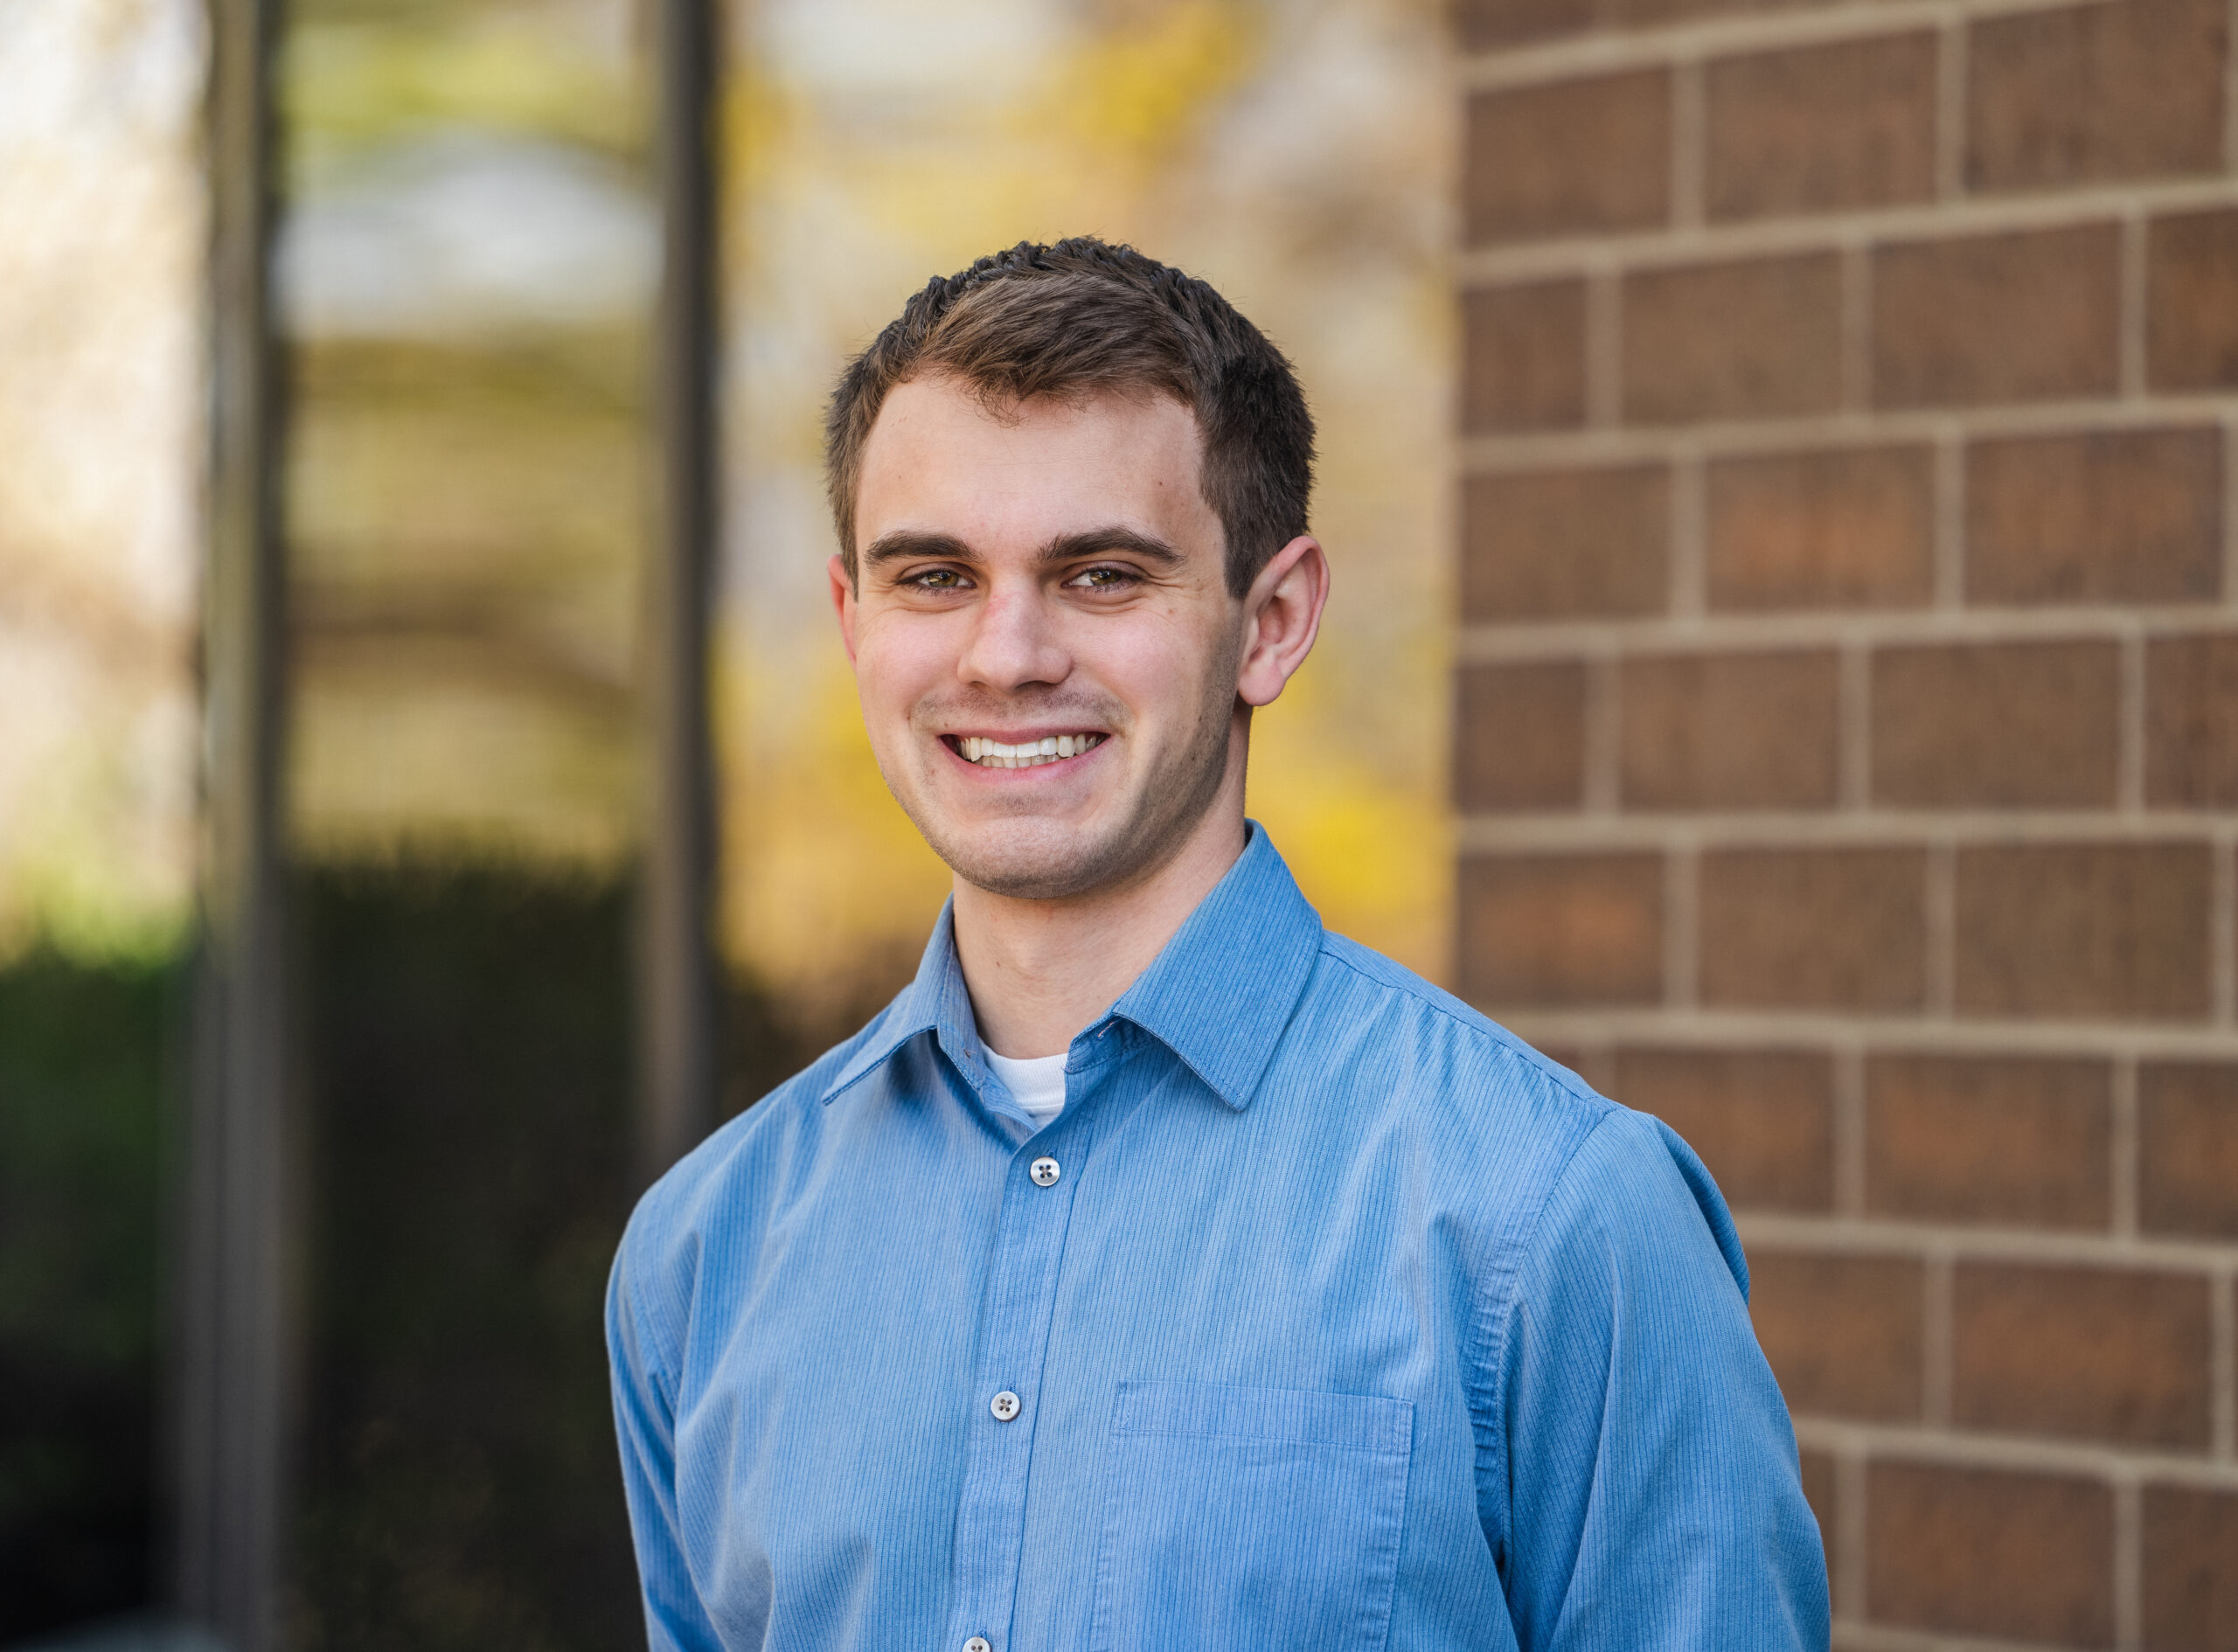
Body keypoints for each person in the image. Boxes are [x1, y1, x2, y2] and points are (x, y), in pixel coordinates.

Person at [606, 237, 1829, 1652]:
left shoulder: (1559, 1220)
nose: (1005, 655)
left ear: (1275, 620)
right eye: (935, 576)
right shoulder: (705, 1253)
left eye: (1103, 574)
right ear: (852, 620)